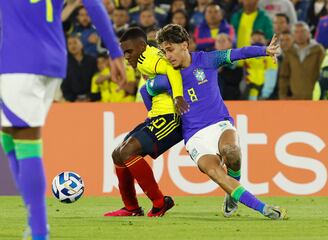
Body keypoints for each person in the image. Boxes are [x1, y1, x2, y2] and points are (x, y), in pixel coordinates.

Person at [0, 1, 127, 239]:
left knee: (26, 139)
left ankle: (39, 231)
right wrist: (114, 51)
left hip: (19, 61)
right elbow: (92, 3)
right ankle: (35, 222)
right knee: (9, 135)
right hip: (54, 59)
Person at [146, 24, 288, 219]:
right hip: (194, 136)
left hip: (219, 124)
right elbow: (146, 90)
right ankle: (263, 208)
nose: (167, 56)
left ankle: (233, 195)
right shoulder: (167, 77)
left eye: (170, 50)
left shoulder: (206, 60)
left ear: (185, 45)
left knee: (232, 152)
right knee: (215, 172)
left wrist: (264, 50)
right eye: (163, 52)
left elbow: (238, 53)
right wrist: (152, 114)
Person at [104, 27, 189, 217]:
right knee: (118, 155)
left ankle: (160, 202)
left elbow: (172, 69)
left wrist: (177, 96)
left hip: (171, 117)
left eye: (129, 51)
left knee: (127, 151)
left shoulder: (151, 58)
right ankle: (131, 208)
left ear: (142, 46)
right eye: (123, 52)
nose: (126, 56)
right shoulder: (145, 60)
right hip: (157, 117)